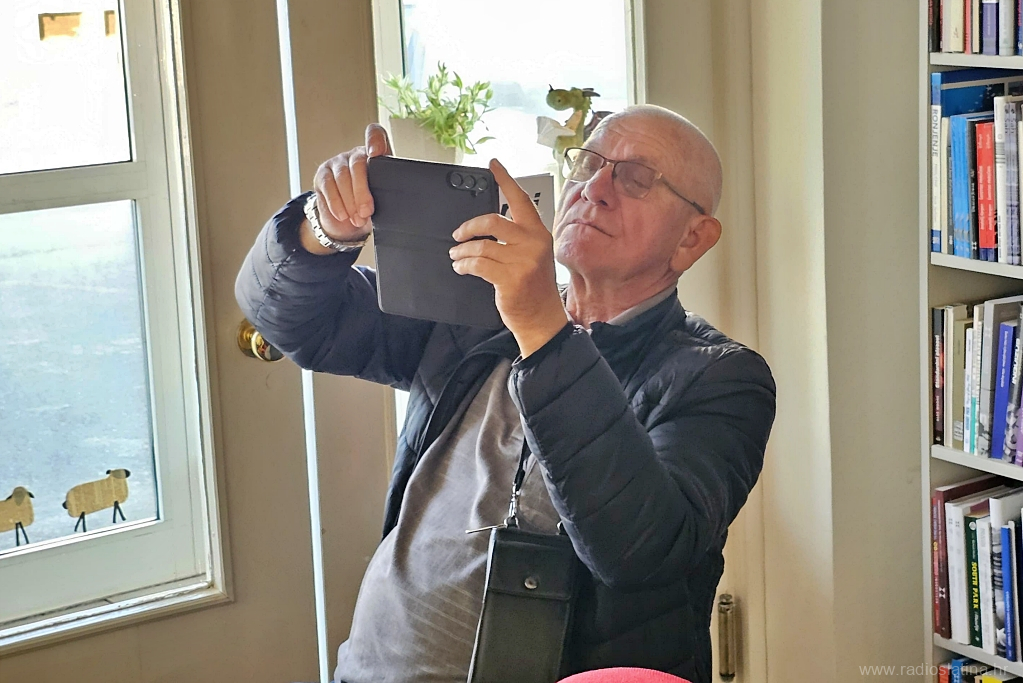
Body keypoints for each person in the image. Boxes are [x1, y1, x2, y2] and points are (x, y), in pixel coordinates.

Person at [235, 104, 776, 683]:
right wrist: (325, 229)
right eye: (588, 163)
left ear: (692, 239)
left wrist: (543, 328)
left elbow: (640, 552)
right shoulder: (477, 310)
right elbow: (298, 325)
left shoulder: (721, 378)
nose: (594, 189)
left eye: (636, 178)